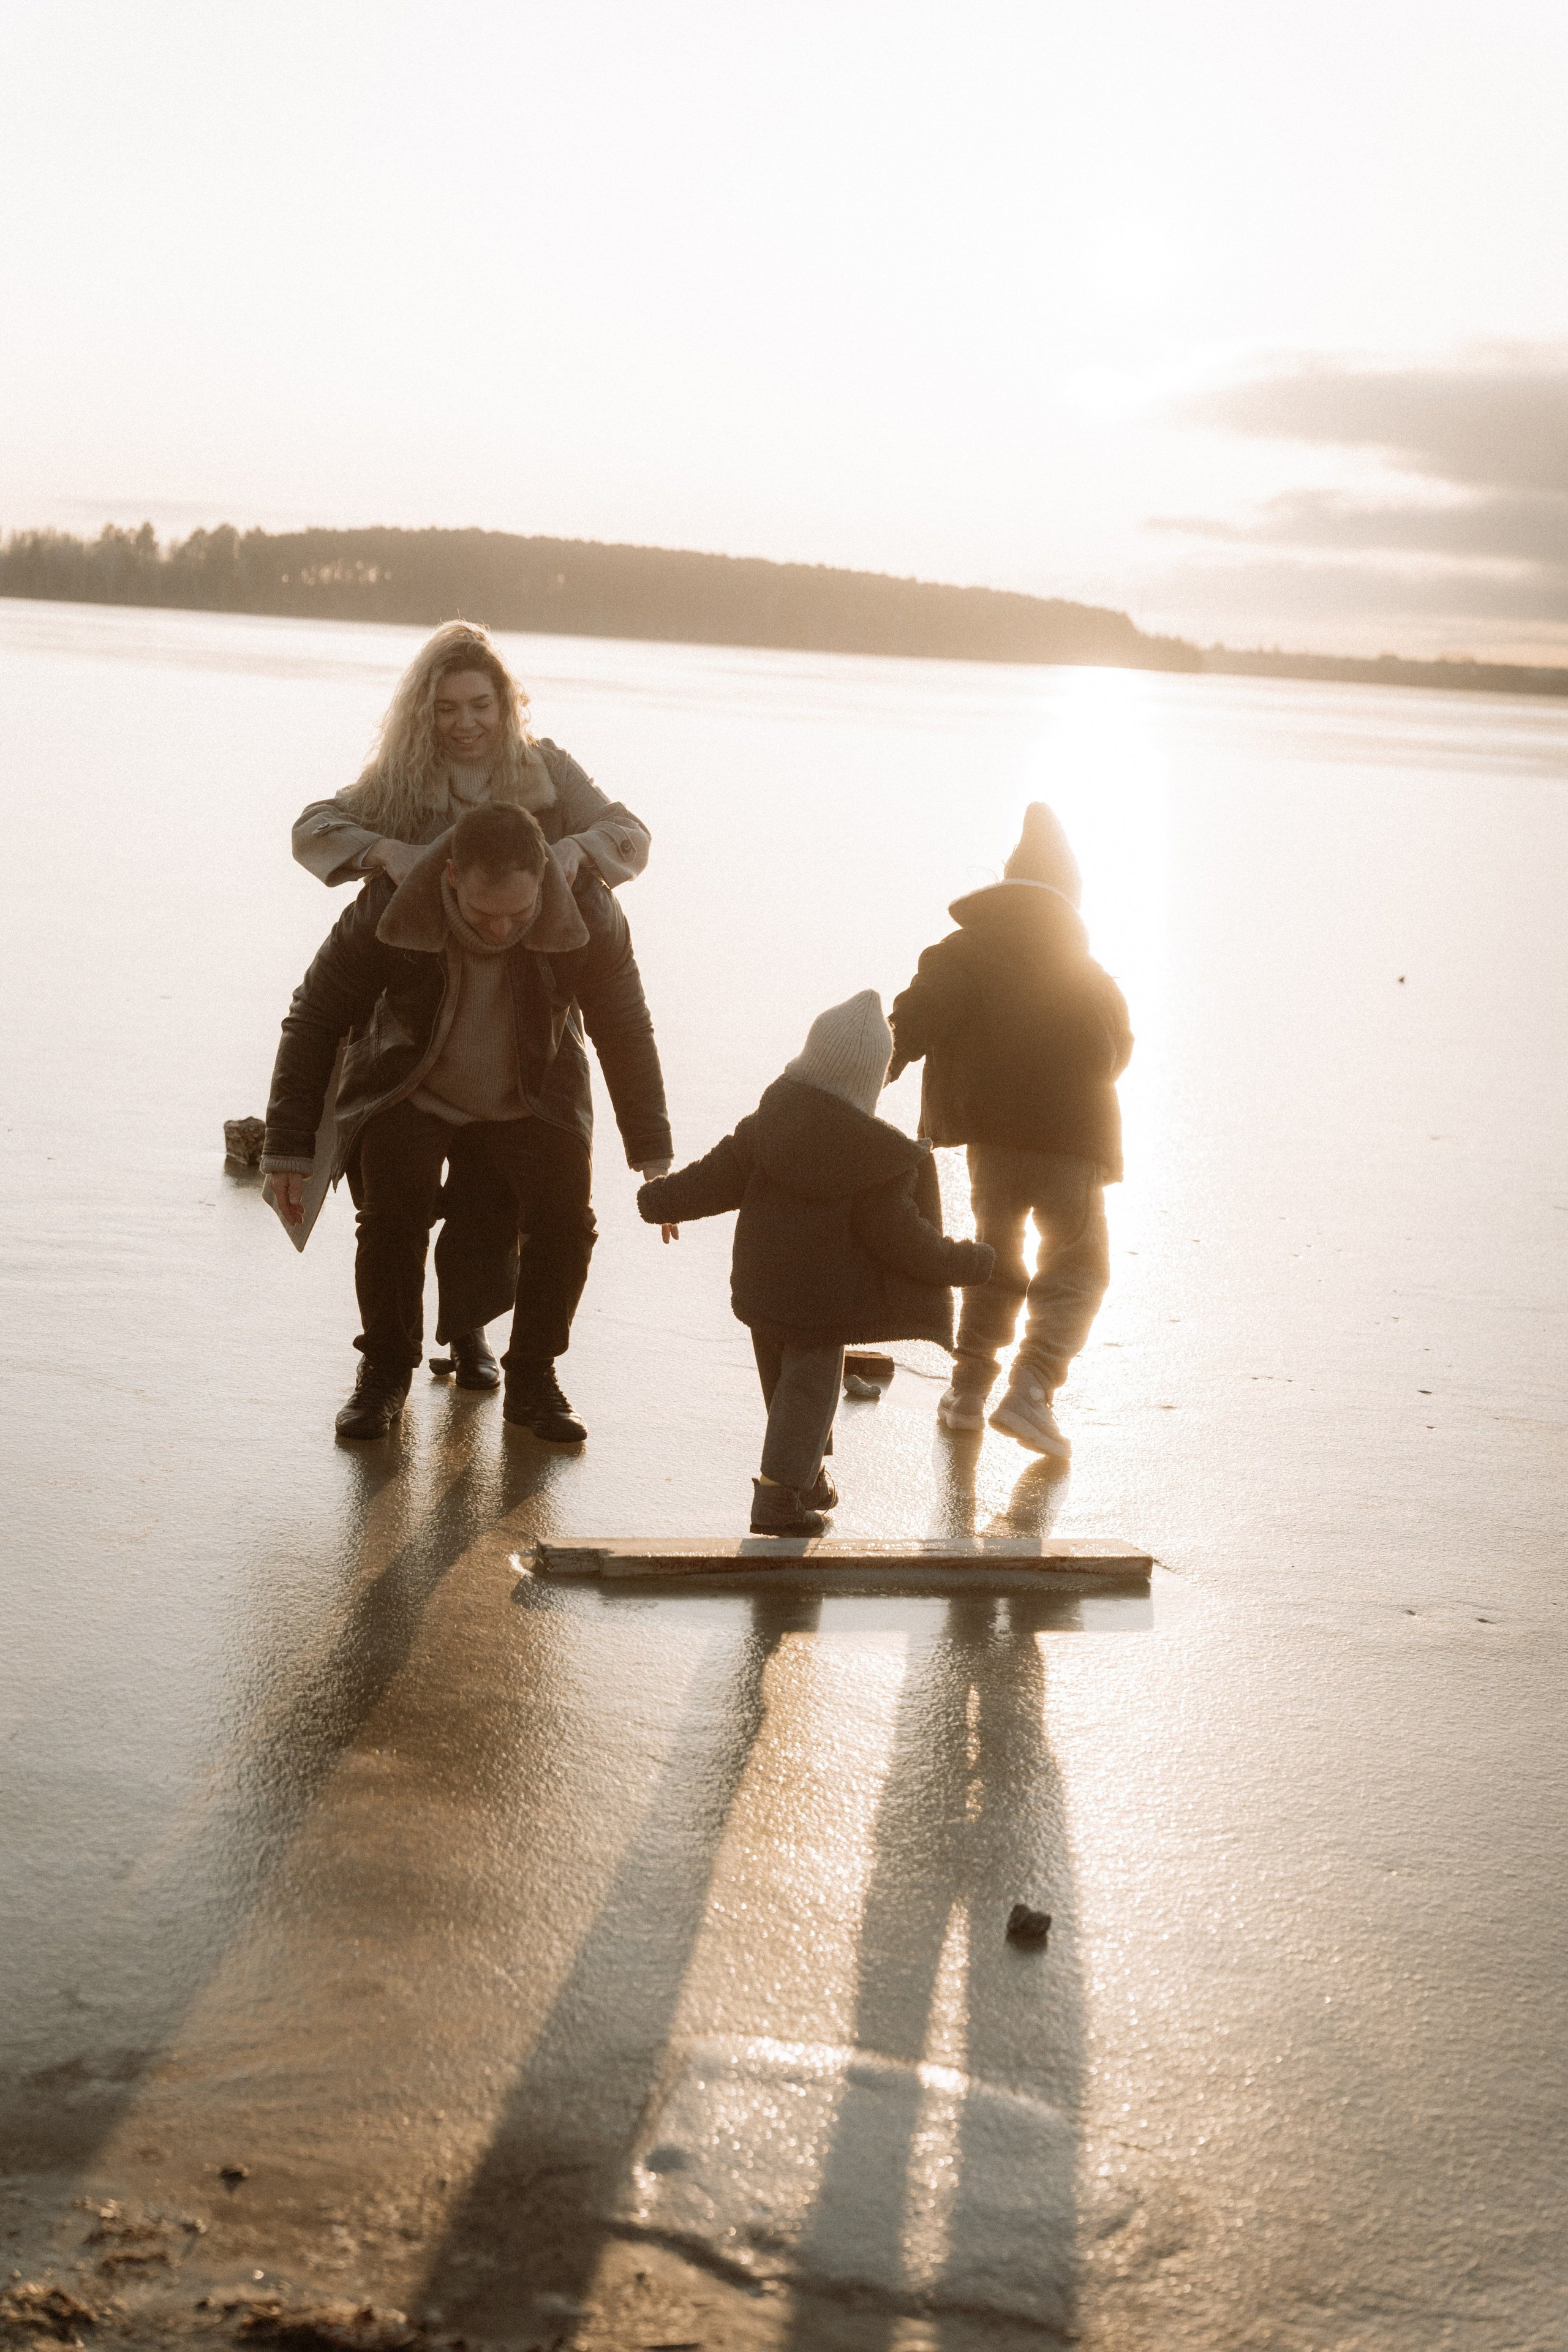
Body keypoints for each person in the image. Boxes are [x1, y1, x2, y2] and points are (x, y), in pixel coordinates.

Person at [290, 620, 652, 1393]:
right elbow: (312, 828)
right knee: (397, 1206)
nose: (465, 724)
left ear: (505, 704)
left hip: (523, 1011)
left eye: (480, 705)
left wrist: (571, 853)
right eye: (447, 708)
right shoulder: (403, 783)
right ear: (425, 714)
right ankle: (388, 1366)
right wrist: (382, 851)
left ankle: (474, 1337)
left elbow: (629, 834)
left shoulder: (545, 770)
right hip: (415, 1011)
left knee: (496, 1206)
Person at [262, 801, 673, 1443]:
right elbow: (314, 1016)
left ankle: (534, 1377)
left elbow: (625, 1028)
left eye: (520, 912)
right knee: (392, 1220)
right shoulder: (390, 905)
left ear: (545, 877)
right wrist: (287, 1150)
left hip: (532, 1091)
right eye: (484, 914)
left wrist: (651, 1148)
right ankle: (385, 1371)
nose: (502, 928)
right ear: (451, 876)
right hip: (409, 1080)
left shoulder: (588, 909)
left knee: (565, 1223)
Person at [636, 992, 993, 1535]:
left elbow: (713, 1178)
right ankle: (778, 1499)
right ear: (868, 1082)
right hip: (824, 1301)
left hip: (760, 1288)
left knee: (785, 1389)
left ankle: (804, 1478)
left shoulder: (768, 1122)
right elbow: (904, 1239)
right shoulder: (877, 1157)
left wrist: (660, 1201)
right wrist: (966, 1262)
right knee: (809, 1392)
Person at [888, 802, 1133, 1461]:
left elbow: (921, 1010)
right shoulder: (1087, 972)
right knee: (1076, 1269)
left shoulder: (967, 950)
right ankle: (1030, 1388)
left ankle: (967, 1394)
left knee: (993, 1260)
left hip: (993, 1141)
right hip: (1072, 1148)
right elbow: (1117, 1052)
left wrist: (881, 1061)